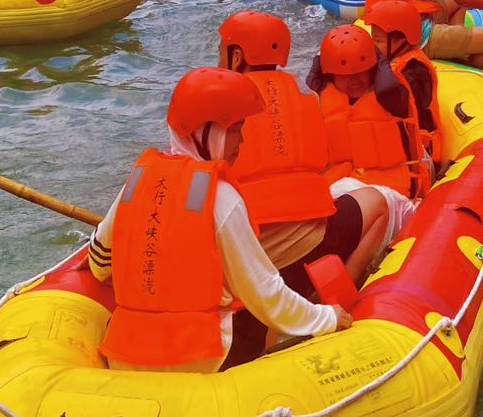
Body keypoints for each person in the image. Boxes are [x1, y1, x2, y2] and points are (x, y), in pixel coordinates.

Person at [89, 67, 349, 371]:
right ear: (205, 132)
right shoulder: (220, 197)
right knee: (250, 312)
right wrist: (327, 317)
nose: (242, 142)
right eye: (235, 129)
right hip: (202, 359)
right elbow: (265, 294)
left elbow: (99, 262)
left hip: (124, 360)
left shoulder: (136, 183)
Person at [218, 12, 390, 312]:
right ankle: (334, 296)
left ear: (236, 57)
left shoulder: (211, 110)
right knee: (377, 204)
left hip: (245, 264)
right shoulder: (306, 97)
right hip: (312, 249)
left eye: (221, 49)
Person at [308, 25, 428, 200]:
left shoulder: (390, 96)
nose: (355, 81)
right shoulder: (324, 97)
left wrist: (380, 61)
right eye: (344, 75)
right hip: (346, 186)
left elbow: (389, 88)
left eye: (361, 72)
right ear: (331, 75)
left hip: (393, 191)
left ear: (373, 69)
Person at [364, 0, 443, 170]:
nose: (373, 46)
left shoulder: (414, 71)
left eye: (378, 41)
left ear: (400, 41)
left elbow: (394, 104)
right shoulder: (393, 62)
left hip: (421, 151)